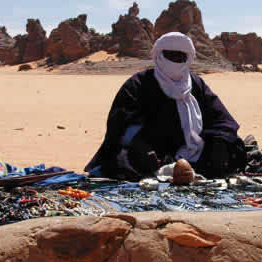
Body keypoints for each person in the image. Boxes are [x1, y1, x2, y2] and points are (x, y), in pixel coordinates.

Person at [85, 32, 246, 180]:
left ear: (189, 58)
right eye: (170, 55)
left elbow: (221, 118)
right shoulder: (139, 83)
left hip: (194, 152)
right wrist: (141, 147)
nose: (175, 61)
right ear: (158, 56)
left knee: (231, 147)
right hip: (150, 153)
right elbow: (121, 124)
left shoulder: (196, 84)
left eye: (180, 57)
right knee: (122, 160)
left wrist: (218, 142)